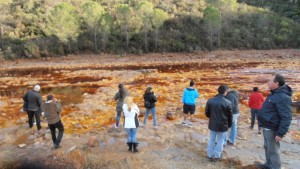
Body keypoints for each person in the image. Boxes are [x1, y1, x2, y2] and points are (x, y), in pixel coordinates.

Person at [257, 74, 292, 169]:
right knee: (267, 147)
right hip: (267, 126)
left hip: (272, 128)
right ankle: (268, 165)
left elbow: (286, 117)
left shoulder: (282, 97)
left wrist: (280, 133)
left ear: (276, 83)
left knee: (273, 150)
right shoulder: (274, 94)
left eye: (270, 81)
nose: (267, 82)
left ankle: (275, 167)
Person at [205, 85, 232, 161]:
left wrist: (212, 118)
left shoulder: (210, 100)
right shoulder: (228, 102)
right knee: (220, 140)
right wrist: (229, 125)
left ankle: (210, 155)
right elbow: (230, 116)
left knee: (211, 139)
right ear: (225, 92)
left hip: (213, 123)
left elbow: (207, 113)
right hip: (223, 125)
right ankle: (217, 156)